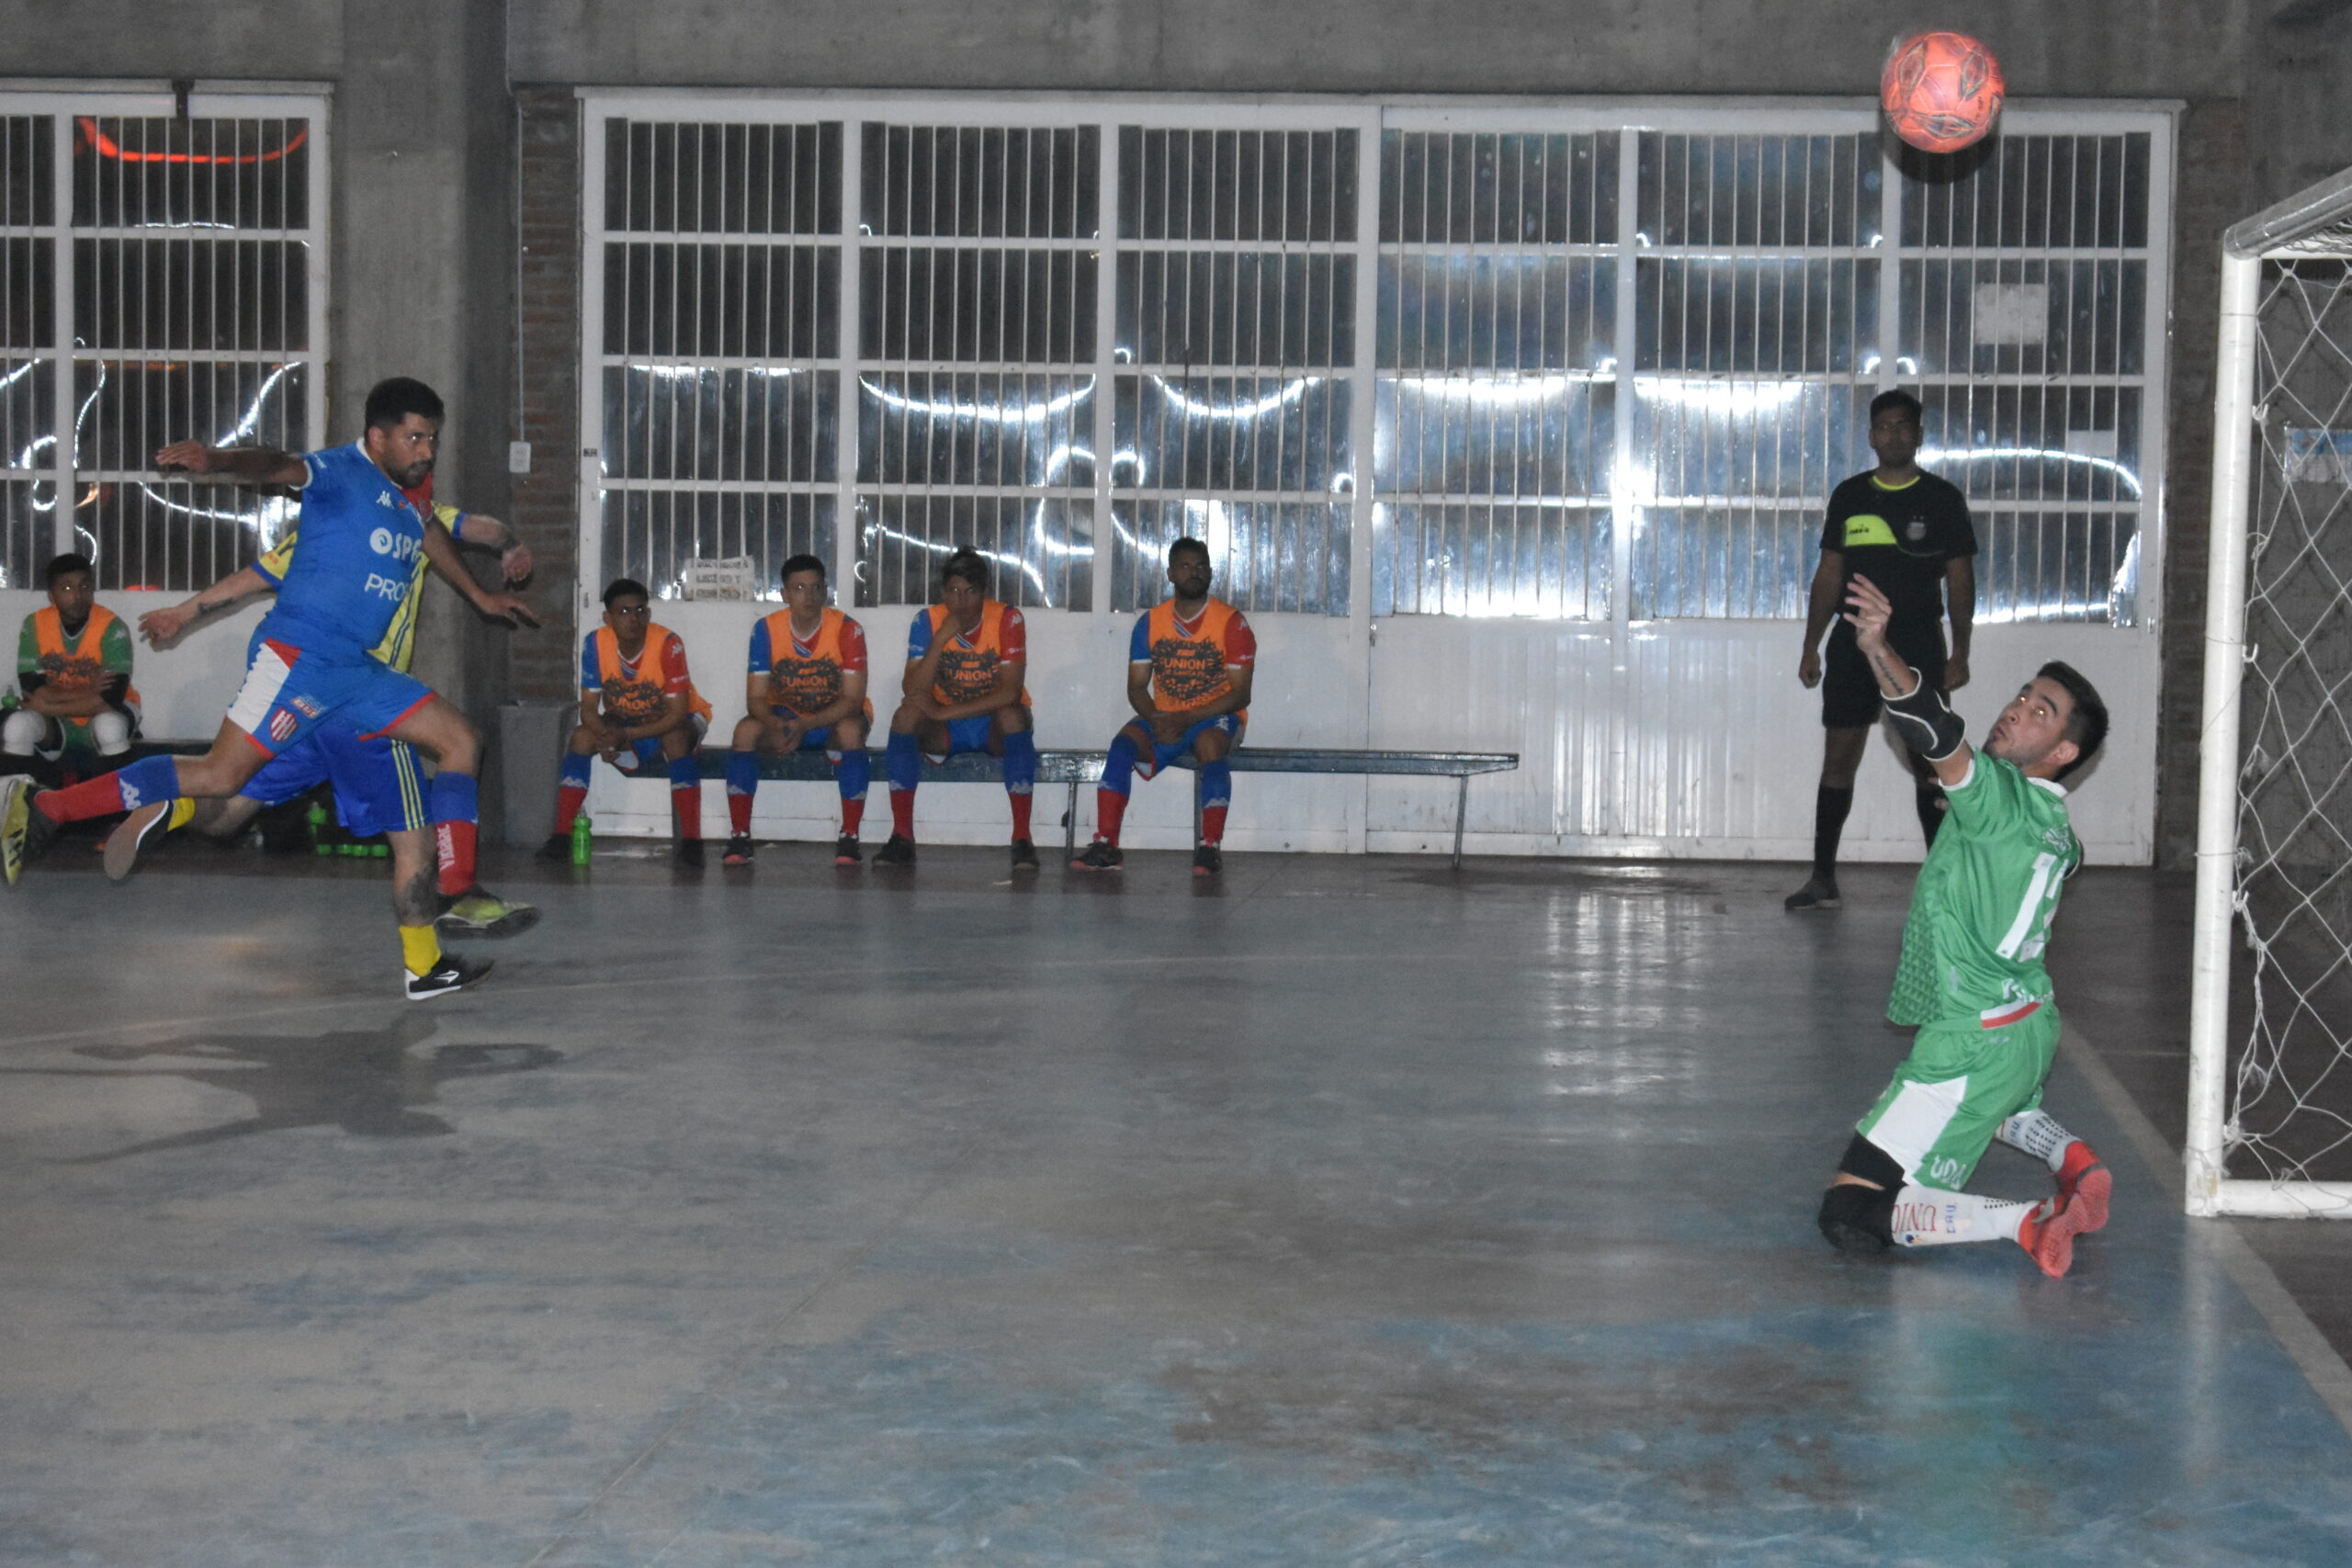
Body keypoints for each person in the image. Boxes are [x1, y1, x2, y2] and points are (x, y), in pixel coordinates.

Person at [0, 378, 537, 1002]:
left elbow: (433, 536)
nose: (426, 450)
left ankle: (443, 917)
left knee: (461, 738)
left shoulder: (408, 495)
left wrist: (480, 595)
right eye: (414, 437)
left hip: (357, 672)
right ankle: (47, 808)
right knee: (219, 778)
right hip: (299, 660)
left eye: (433, 440)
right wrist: (217, 460)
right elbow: (276, 465)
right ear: (376, 436)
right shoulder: (339, 471)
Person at [1815, 573, 2112, 1280]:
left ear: (2062, 752)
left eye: (2041, 712)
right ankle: (2073, 1159)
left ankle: (2026, 1221)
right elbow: (2071, 863)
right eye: (2022, 695)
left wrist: (1877, 646)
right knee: (1998, 1105)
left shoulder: (1999, 801)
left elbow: (1931, 728)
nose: (2016, 710)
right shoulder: (2054, 822)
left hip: (1974, 1043)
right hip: (2029, 1026)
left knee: (1852, 1211)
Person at [115, 476, 539, 955]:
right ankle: (452, 901)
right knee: (453, 757)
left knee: (229, 814)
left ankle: (174, 802)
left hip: (306, 697)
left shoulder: (327, 528)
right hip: (361, 696)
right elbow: (480, 528)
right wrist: (510, 545)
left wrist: (187, 610)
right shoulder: (409, 517)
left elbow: (255, 575)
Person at [1788, 389, 1976, 911]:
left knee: (1931, 762)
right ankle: (1822, 878)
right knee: (1839, 760)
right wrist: (1813, 644)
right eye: (1883, 427)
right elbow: (1829, 574)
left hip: (1917, 646)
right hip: (1852, 648)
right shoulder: (1849, 496)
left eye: (1903, 426)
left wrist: (1959, 652)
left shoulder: (1942, 499)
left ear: (1918, 435)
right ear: (1871, 436)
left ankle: (1942, 887)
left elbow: (1961, 580)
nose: (1893, 434)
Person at [1072, 536, 1255, 877]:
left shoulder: (1232, 623)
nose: (1194, 573)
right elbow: (1137, 687)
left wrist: (1187, 718)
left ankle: (1210, 847)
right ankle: (1107, 843)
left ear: (1211, 573)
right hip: (1166, 716)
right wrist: (1155, 717)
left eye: (1201, 567)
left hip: (1216, 718)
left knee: (1210, 745)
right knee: (1122, 745)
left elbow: (1240, 694)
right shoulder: (1151, 622)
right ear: (1170, 573)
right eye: (1185, 566)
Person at [876, 547, 1036, 871]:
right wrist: (940, 640)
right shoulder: (927, 620)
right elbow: (912, 689)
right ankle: (902, 837)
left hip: (991, 725)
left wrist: (940, 712)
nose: (961, 601)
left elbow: (1010, 691)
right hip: (946, 731)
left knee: (1013, 715)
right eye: (953, 591)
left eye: (970, 592)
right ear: (942, 592)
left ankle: (1022, 839)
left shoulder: (1008, 617)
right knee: (905, 717)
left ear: (983, 594)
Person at [539, 579, 713, 867]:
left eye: (640, 610)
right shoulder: (594, 643)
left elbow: (676, 714)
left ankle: (692, 842)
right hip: (626, 722)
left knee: (675, 738)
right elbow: (589, 709)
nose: (633, 618)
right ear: (608, 618)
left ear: (648, 614)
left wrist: (624, 734)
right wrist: (605, 735)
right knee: (582, 737)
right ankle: (561, 836)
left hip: (681, 720)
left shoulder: (668, 644)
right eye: (623, 612)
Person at [720, 553, 871, 867]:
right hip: (786, 716)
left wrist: (806, 725)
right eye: (800, 588)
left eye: (817, 588)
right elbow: (757, 699)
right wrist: (776, 725)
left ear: (826, 591)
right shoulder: (765, 629)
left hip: (833, 716)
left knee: (850, 731)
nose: (810, 596)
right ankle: (740, 835)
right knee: (745, 731)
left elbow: (853, 700)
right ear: (784, 594)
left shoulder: (848, 629)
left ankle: (850, 836)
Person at [5, 553, 140, 780]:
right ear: (51, 595)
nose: (78, 596)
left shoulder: (112, 627)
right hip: (59, 724)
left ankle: (122, 811)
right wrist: (88, 691)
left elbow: (109, 699)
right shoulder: (34, 624)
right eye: (66, 589)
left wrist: (48, 707)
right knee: (17, 727)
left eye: (84, 586)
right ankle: (17, 806)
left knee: (110, 728)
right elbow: (33, 690)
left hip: (108, 713)